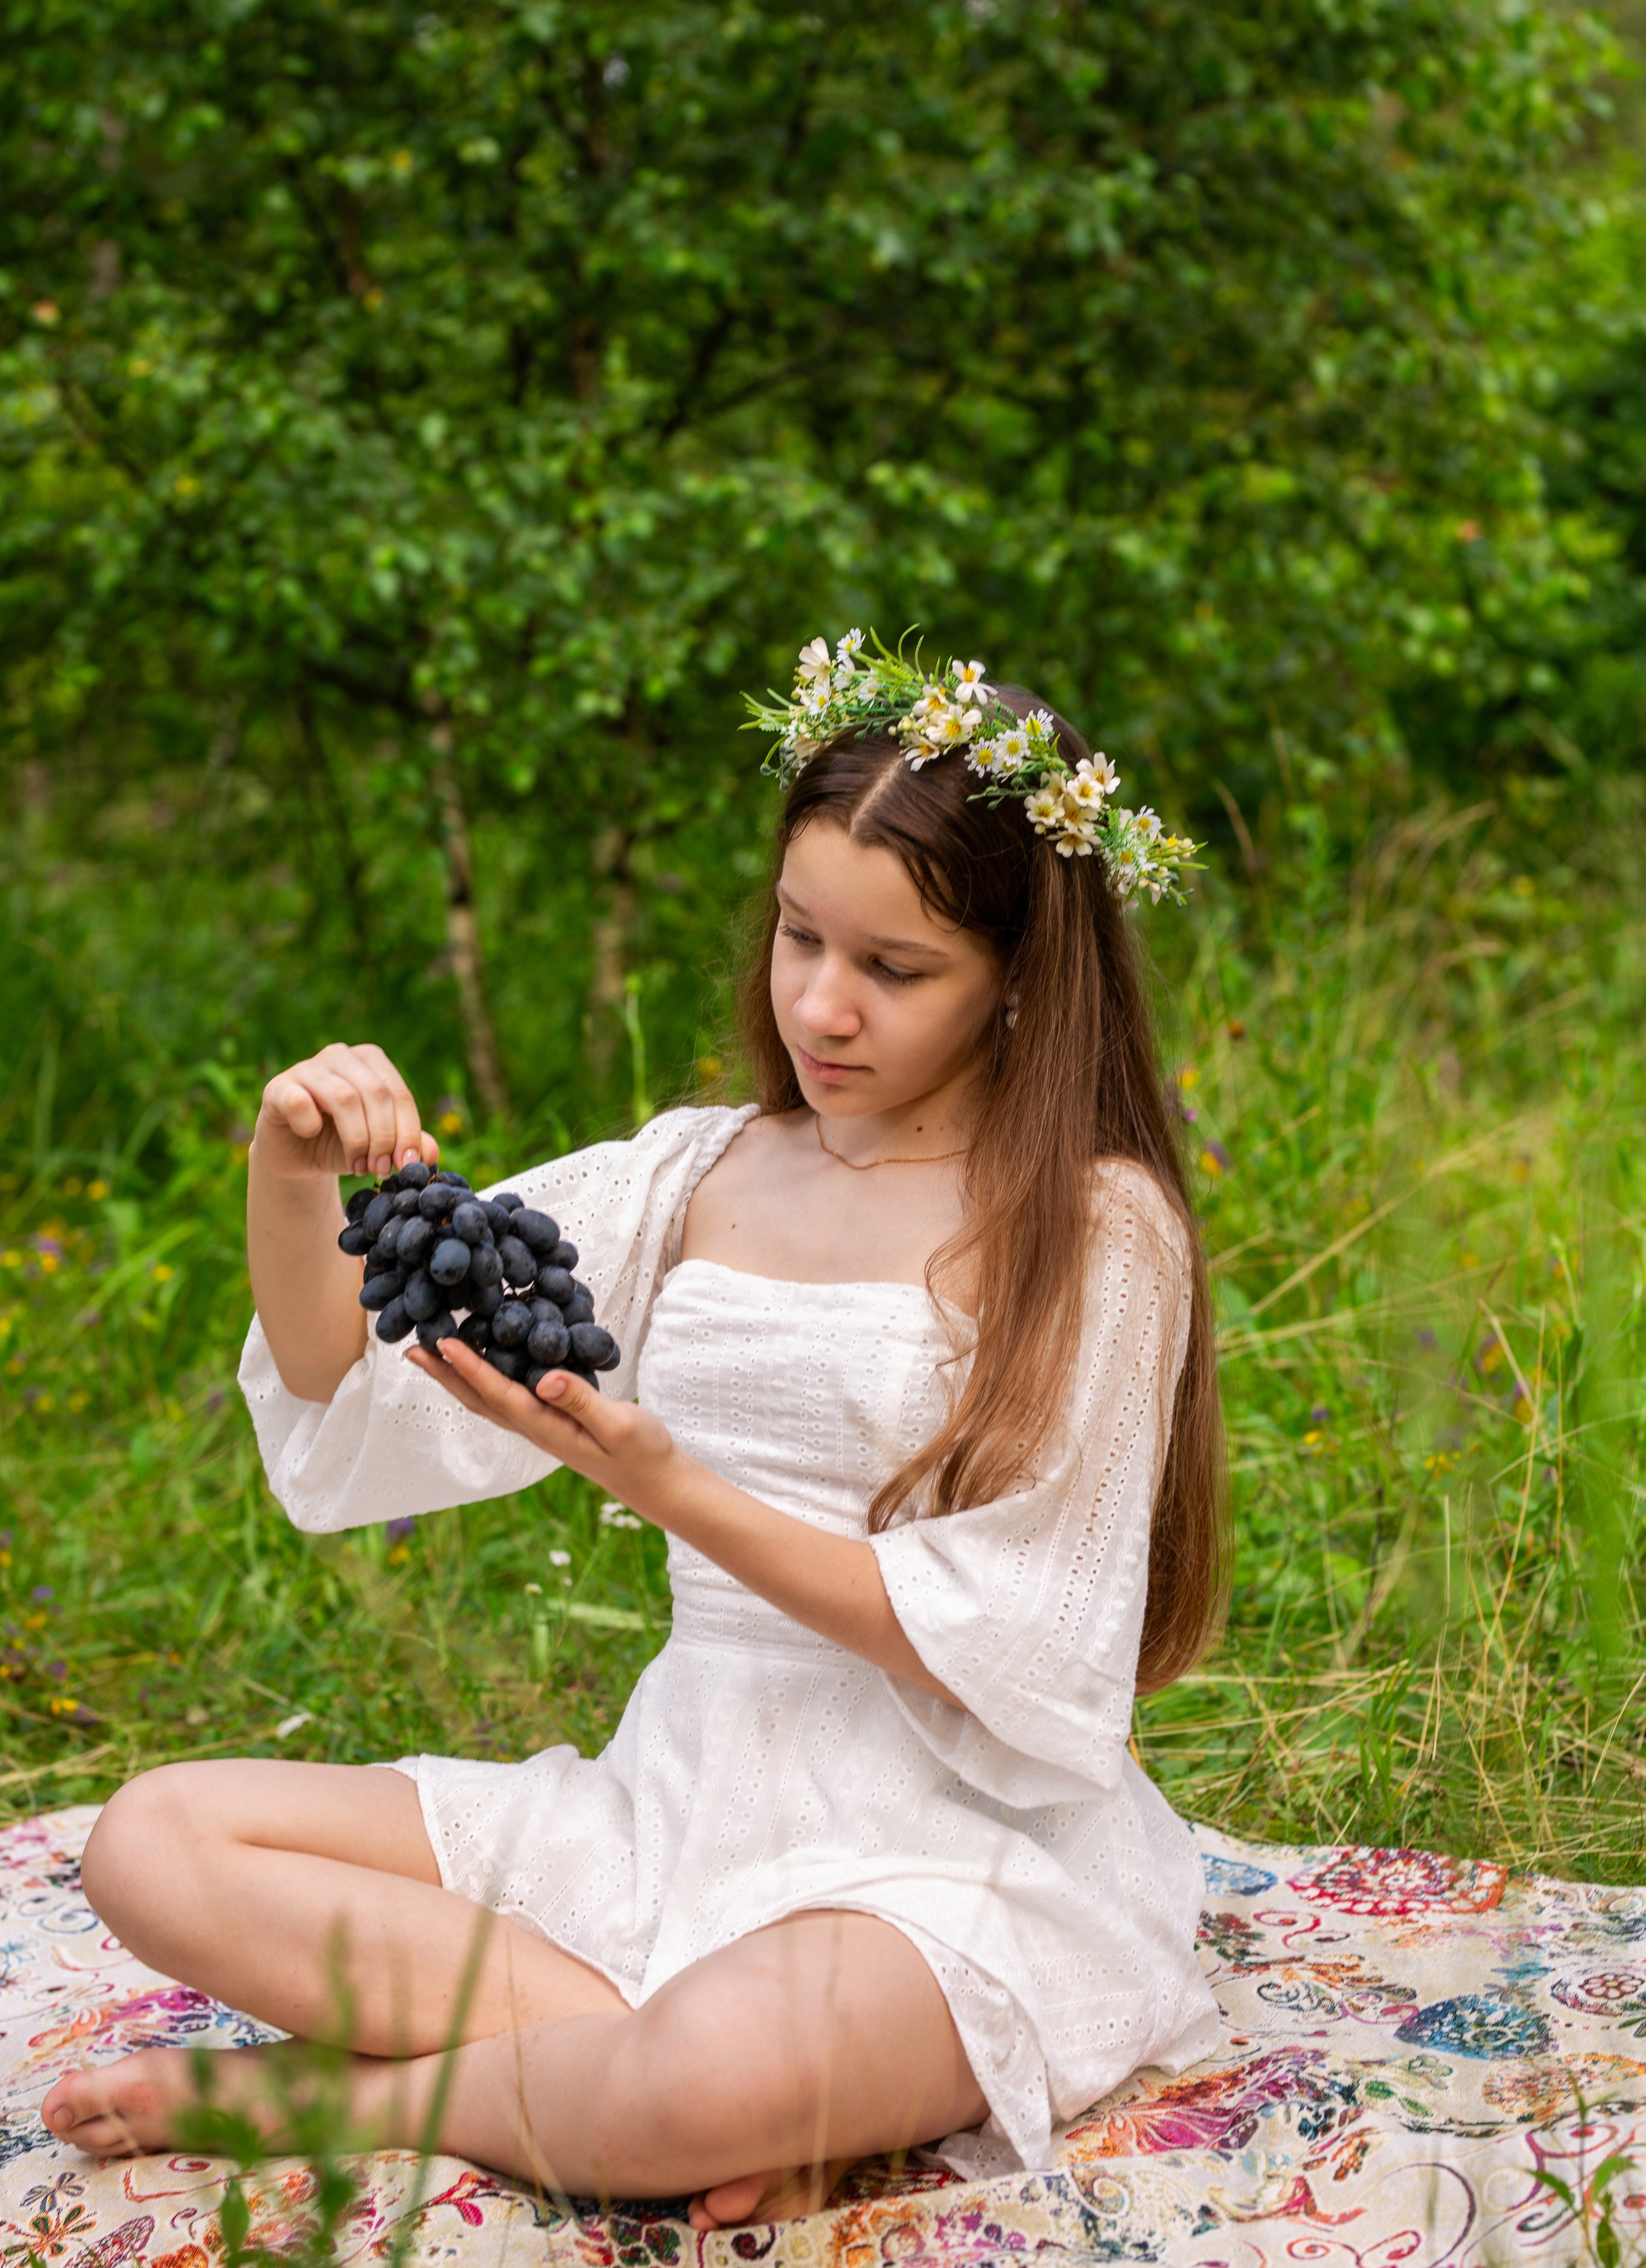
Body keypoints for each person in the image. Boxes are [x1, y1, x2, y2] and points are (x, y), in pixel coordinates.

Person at [40, 642, 1227, 2226]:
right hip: (669, 1799)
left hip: (948, 1847)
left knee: (700, 2076)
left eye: (893, 968)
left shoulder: (1094, 1225)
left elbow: (1031, 1645)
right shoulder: (696, 1174)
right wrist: (292, 1165)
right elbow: (345, 1378)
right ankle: (641, 2078)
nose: (819, 1004)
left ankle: (348, 2100)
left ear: (1020, 972)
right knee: (151, 1841)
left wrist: (673, 1488)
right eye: (799, 934)